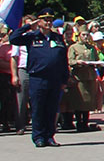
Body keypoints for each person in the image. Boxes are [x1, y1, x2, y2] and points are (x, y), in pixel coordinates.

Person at [16, 13, 69, 147]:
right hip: (37, 78)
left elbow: (63, 59)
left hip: (55, 78)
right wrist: (28, 26)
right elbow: (13, 38)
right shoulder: (32, 36)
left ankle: (49, 136)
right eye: (45, 20)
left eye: (50, 20)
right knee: (38, 108)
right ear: (39, 22)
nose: (48, 22)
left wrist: (64, 79)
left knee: (51, 108)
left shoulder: (57, 37)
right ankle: (38, 137)